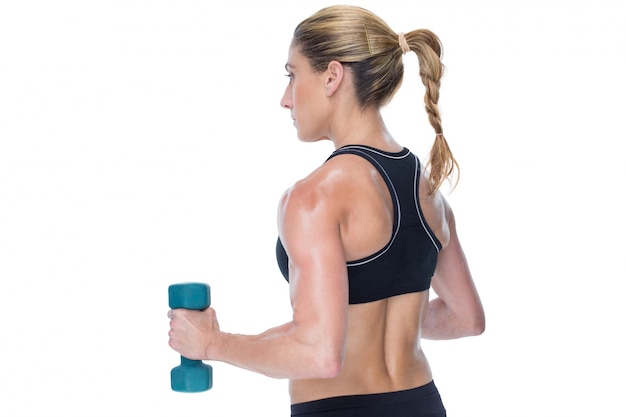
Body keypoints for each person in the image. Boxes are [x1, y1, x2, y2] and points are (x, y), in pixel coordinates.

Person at [168, 5, 485, 416]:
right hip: (422, 403)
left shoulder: (314, 197)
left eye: (292, 74)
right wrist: (377, 323)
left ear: (332, 76)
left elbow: (319, 354)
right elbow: (466, 318)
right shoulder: (427, 191)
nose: (285, 99)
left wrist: (211, 343)